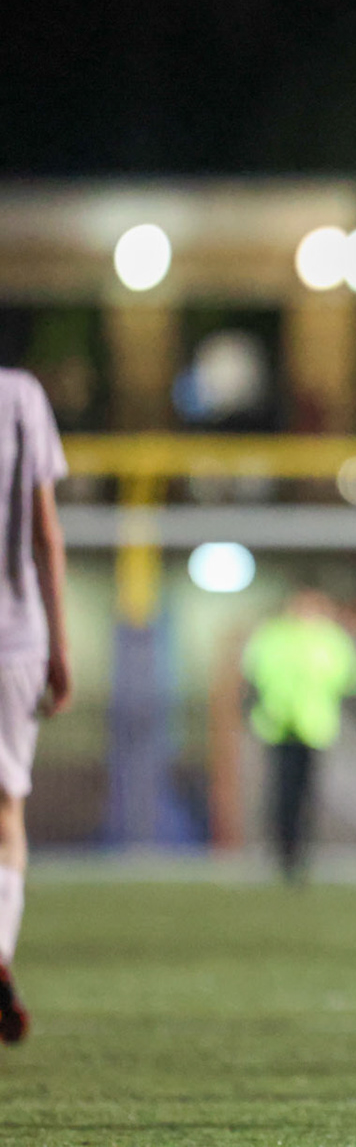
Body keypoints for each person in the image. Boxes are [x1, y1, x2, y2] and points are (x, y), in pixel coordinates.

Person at [0, 370, 71, 1046]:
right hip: (15, 642)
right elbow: (46, 535)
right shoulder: (20, 395)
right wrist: (62, 646)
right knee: (6, 812)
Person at [242, 589, 356, 883]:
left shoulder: (331, 639)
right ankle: (282, 852)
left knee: (307, 793)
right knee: (281, 792)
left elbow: (349, 679)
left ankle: (301, 854)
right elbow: (253, 674)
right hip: (278, 725)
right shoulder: (273, 635)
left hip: (314, 728)